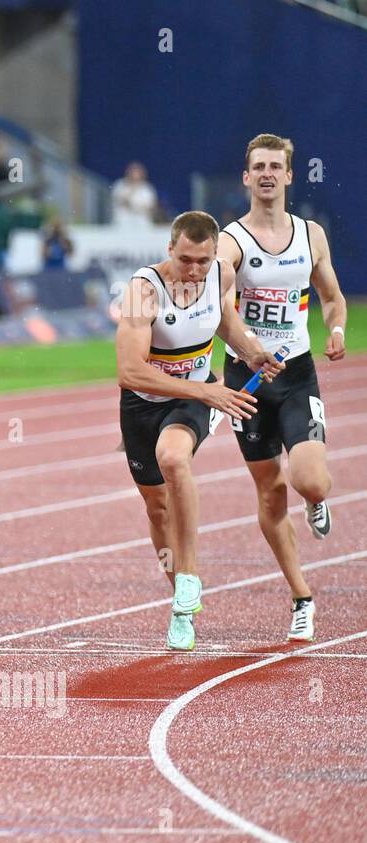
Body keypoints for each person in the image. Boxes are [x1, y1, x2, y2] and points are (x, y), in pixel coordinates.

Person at [115, 211, 283, 651]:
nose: (193, 270)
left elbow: (225, 320)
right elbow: (130, 372)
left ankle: (186, 586)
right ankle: (181, 597)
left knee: (174, 458)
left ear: (214, 256)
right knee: (157, 508)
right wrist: (206, 392)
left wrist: (252, 352)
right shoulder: (142, 292)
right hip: (143, 402)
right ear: (170, 249)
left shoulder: (221, 275)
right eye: (186, 260)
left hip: (194, 397)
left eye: (202, 261)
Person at [216, 133, 349, 640]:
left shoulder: (311, 235)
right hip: (246, 381)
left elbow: (332, 297)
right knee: (270, 494)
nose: (268, 173)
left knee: (309, 480)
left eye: (277, 166)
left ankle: (315, 498)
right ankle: (301, 597)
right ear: (247, 178)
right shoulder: (232, 242)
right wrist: (250, 345)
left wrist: (335, 330)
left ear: (290, 175)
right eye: (259, 167)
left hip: (294, 373)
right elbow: (222, 311)